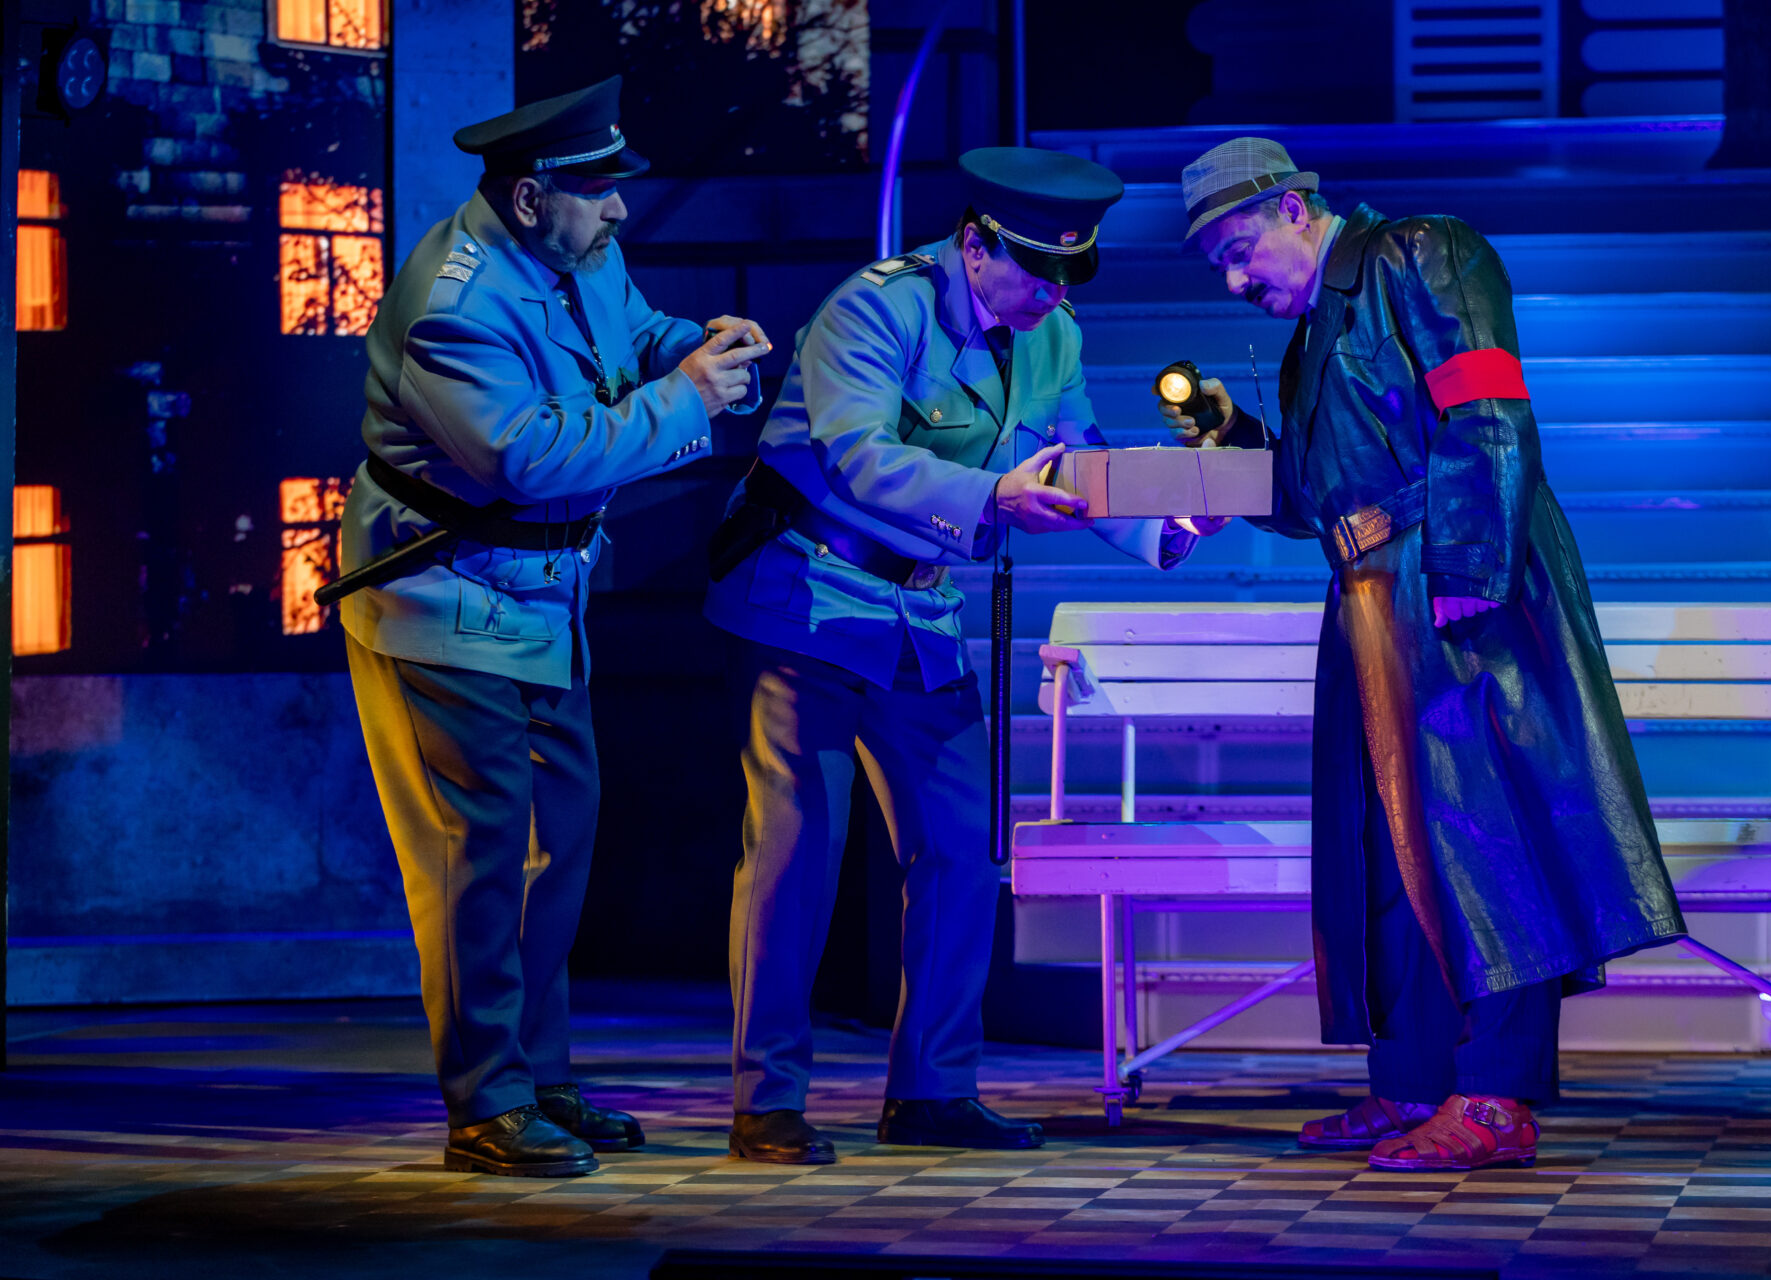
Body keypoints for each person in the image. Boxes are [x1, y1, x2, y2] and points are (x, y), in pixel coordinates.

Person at [1161, 137, 1685, 1171]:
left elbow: (1487, 407)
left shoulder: (1420, 252)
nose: (1233, 280)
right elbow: (1312, 497)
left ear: (1293, 209)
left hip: (1447, 576)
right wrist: (1233, 452)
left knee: (1485, 832)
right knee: (1387, 845)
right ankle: (1413, 1079)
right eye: (1218, 265)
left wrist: (1470, 573)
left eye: (1238, 251)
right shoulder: (1317, 330)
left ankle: (1494, 1094)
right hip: (1367, 596)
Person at [705, 146, 1226, 1165]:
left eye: (1070, 273)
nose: (1053, 293)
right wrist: (992, 494)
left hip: (920, 612)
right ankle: (767, 1099)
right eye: (1038, 270)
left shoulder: (1052, 330)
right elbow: (856, 454)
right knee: (795, 852)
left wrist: (1167, 524)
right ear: (976, 244)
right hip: (808, 600)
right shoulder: (877, 308)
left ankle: (933, 1089)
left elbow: (1075, 459)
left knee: (961, 847)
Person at [337, 76, 769, 1177]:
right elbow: (530, 457)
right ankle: (486, 1101)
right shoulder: (455, 305)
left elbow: (632, 334)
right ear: (532, 199)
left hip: (541, 605)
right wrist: (690, 397)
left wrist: (701, 342)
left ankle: (538, 1077)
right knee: (477, 857)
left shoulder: (579, 251)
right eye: (598, 191)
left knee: (556, 846)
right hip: (442, 604)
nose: (620, 208)